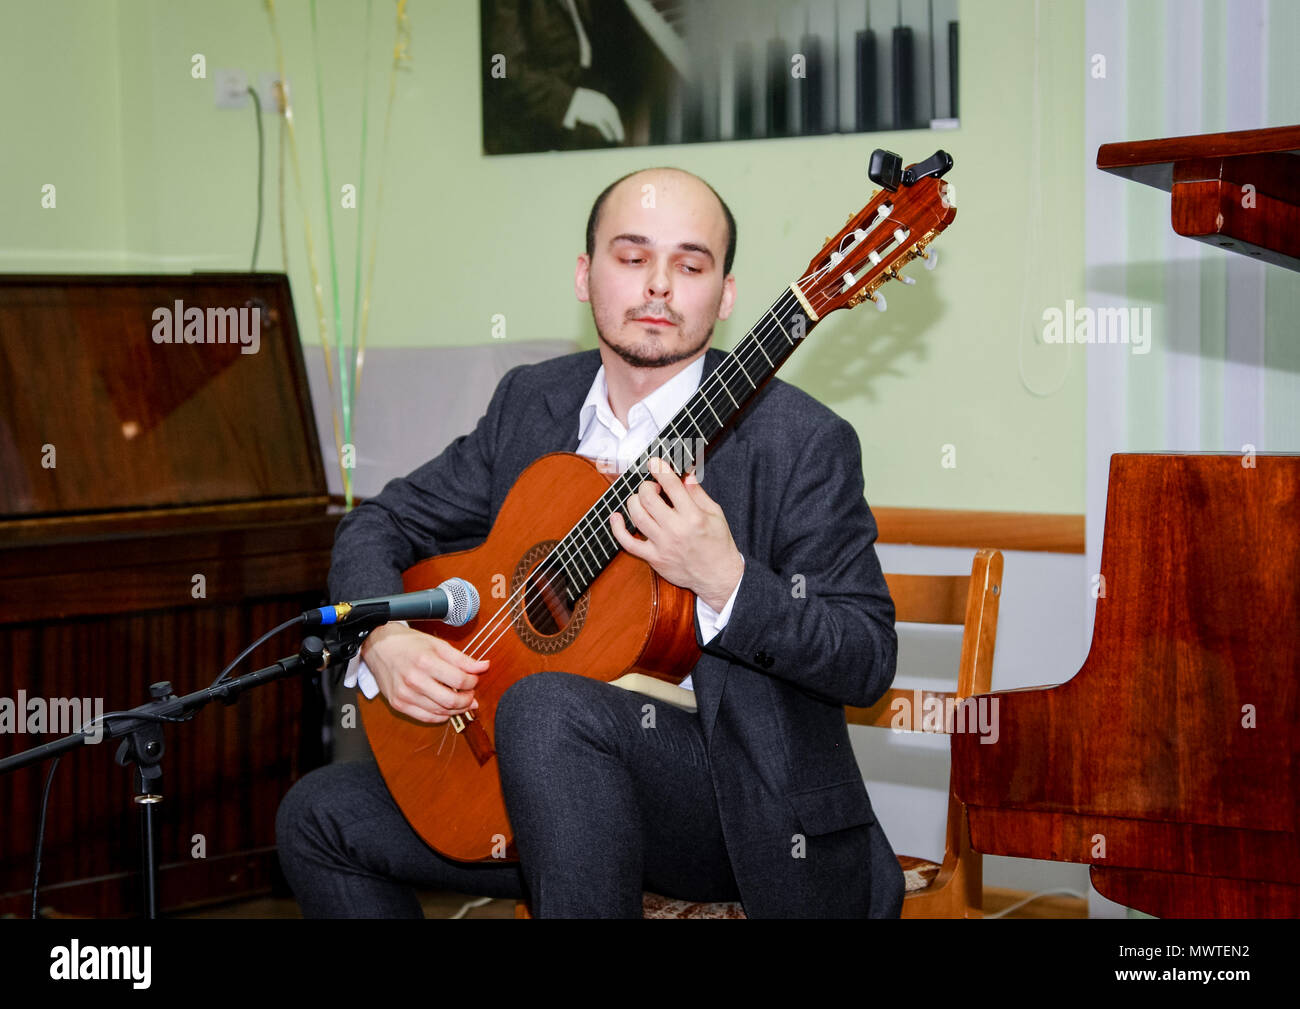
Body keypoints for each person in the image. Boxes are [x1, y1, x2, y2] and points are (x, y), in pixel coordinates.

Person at [275, 166, 904, 918]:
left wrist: (727, 580)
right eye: (632, 257)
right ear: (586, 275)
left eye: (691, 263)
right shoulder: (532, 402)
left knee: (547, 709)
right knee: (317, 815)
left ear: (726, 294)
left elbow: (866, 655)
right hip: (536, 789)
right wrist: (384, 632)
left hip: (734, 813)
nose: (660, 286)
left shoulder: (800, 442)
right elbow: (379, 522)